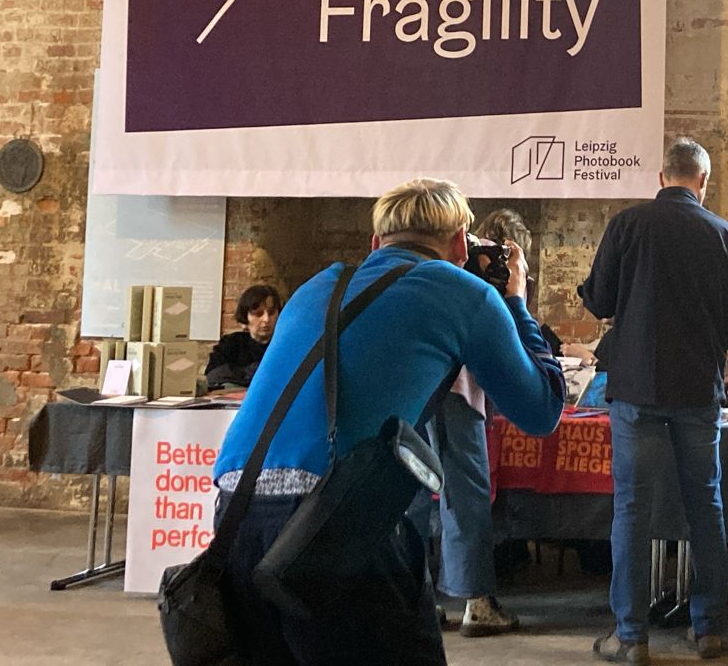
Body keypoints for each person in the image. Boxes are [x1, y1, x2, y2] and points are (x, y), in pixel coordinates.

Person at [208, 178, 564, 666]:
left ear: (376, 242)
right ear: (460, 245)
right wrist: (515, 301)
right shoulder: (464, 293)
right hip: (332, 520)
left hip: (237, 505)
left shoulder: (319, 285)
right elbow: (541, 411)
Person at [580, 138, 728, 663]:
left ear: (661, 177)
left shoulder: (627, 225)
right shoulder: (726, 236)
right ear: (704, 181)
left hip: (636, 386)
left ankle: (631, 637)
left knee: (632, 508)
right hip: (698, 389)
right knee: (706, 504)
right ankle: (708, 630)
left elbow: (599, 300)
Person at [414, 207, 537, 638]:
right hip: (458, 392)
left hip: (417, 387)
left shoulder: (437, 266)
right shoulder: (485, 279)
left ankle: (415, 599)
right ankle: (477, 603)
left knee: (412, 494)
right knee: (466, 496)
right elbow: (504, 337)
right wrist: (516, 288)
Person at [204, 284, 281, 389]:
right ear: (245, 317)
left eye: (271, 313)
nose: (266, 319)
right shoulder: (230, 343)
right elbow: (212, 375)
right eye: (258, 314)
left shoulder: (284, 345)